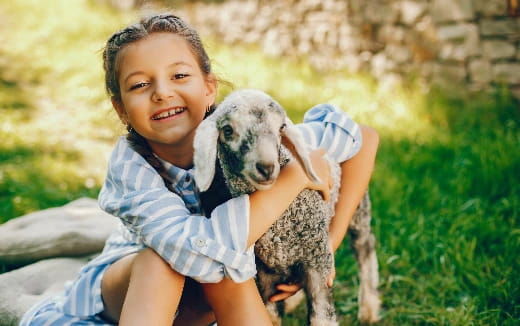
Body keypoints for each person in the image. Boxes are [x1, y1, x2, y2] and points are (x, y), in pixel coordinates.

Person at [20, 13, 379, 326]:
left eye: (179, 75)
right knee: (174, 262)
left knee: (233, 268)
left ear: (209, 88)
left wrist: (324, 247)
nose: (162, 93)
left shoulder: (240, 128)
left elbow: (363, 138)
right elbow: (200, 249)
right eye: (140, 85)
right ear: (121, 110)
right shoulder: (130, 168)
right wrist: (296, 176)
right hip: (130, 291)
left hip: (213, 297)